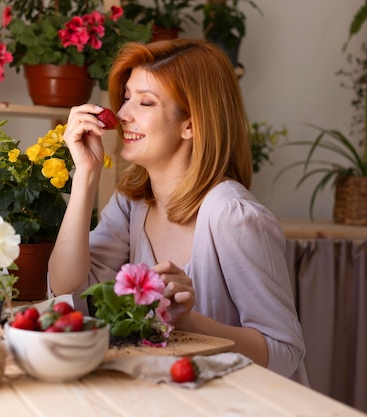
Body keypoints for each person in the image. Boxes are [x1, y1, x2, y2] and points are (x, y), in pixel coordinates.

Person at [48, 38, 308, 384]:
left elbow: (284, 351)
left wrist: (190, 322)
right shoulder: (133, 204)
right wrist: (86, 174)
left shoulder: (233, 217)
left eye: (145, 102)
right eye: (126, 98)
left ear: (191, 124)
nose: (123, 114)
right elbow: (66, 290)